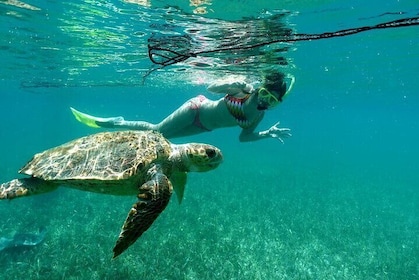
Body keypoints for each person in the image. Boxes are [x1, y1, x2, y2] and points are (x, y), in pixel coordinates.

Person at [71, 71, 295, 143]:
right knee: (156, 132)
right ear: (260, 88)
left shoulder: (258, 118)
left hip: (202, 128)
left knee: (160, 138)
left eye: (272, 101)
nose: (265, 101)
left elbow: (243, 138)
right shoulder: (243, 91)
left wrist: (267, 134)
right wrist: (232, 83)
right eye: (265, 94)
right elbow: (211, 88)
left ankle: (119, 125)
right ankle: (113, 123)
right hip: (195, 109)